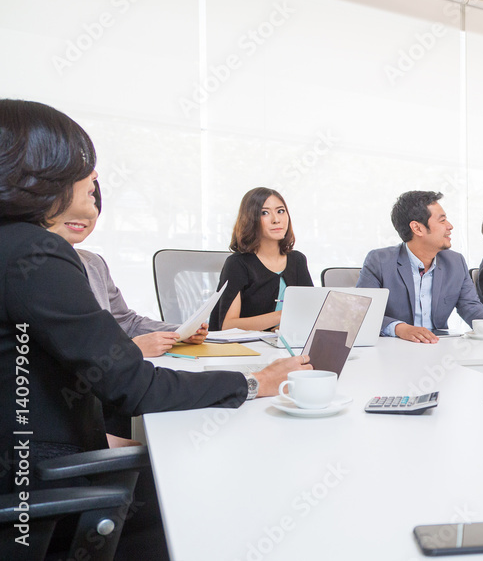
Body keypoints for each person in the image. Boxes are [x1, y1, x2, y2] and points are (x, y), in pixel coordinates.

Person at [0, 100, 310, 558]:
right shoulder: (37, 253)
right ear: (41, 173)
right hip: (38, 495)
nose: (92, 198)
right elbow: (133, 386)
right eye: (85, 181)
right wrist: (255, 383)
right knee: (218, 492)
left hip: (29, 467)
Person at [47, 180, 207, 358]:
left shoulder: (94, 263)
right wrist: (130, 348)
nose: (85, 214)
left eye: (93, 206)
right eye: (70, 205)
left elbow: (126, 322)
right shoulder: (36, 268)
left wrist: (180, 332)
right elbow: (63, 346)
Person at [357, 191, 483, 343]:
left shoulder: (455, 262)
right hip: (392, 351)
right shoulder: (379, 260)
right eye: (442, 220)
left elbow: (472, 309)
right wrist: (400, 328)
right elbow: (362, 312)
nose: (450, 226)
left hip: (439, 349)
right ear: (417, 228)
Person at [209, 187, 313, 332]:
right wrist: (282, 316)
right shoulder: (238, 263)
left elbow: (310, 313)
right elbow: (228, 325)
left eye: (280, 211)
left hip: (286, 345)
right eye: (264, 213)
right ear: (250, 219)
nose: (276, 220)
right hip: (246, 350)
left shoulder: (297, 260)